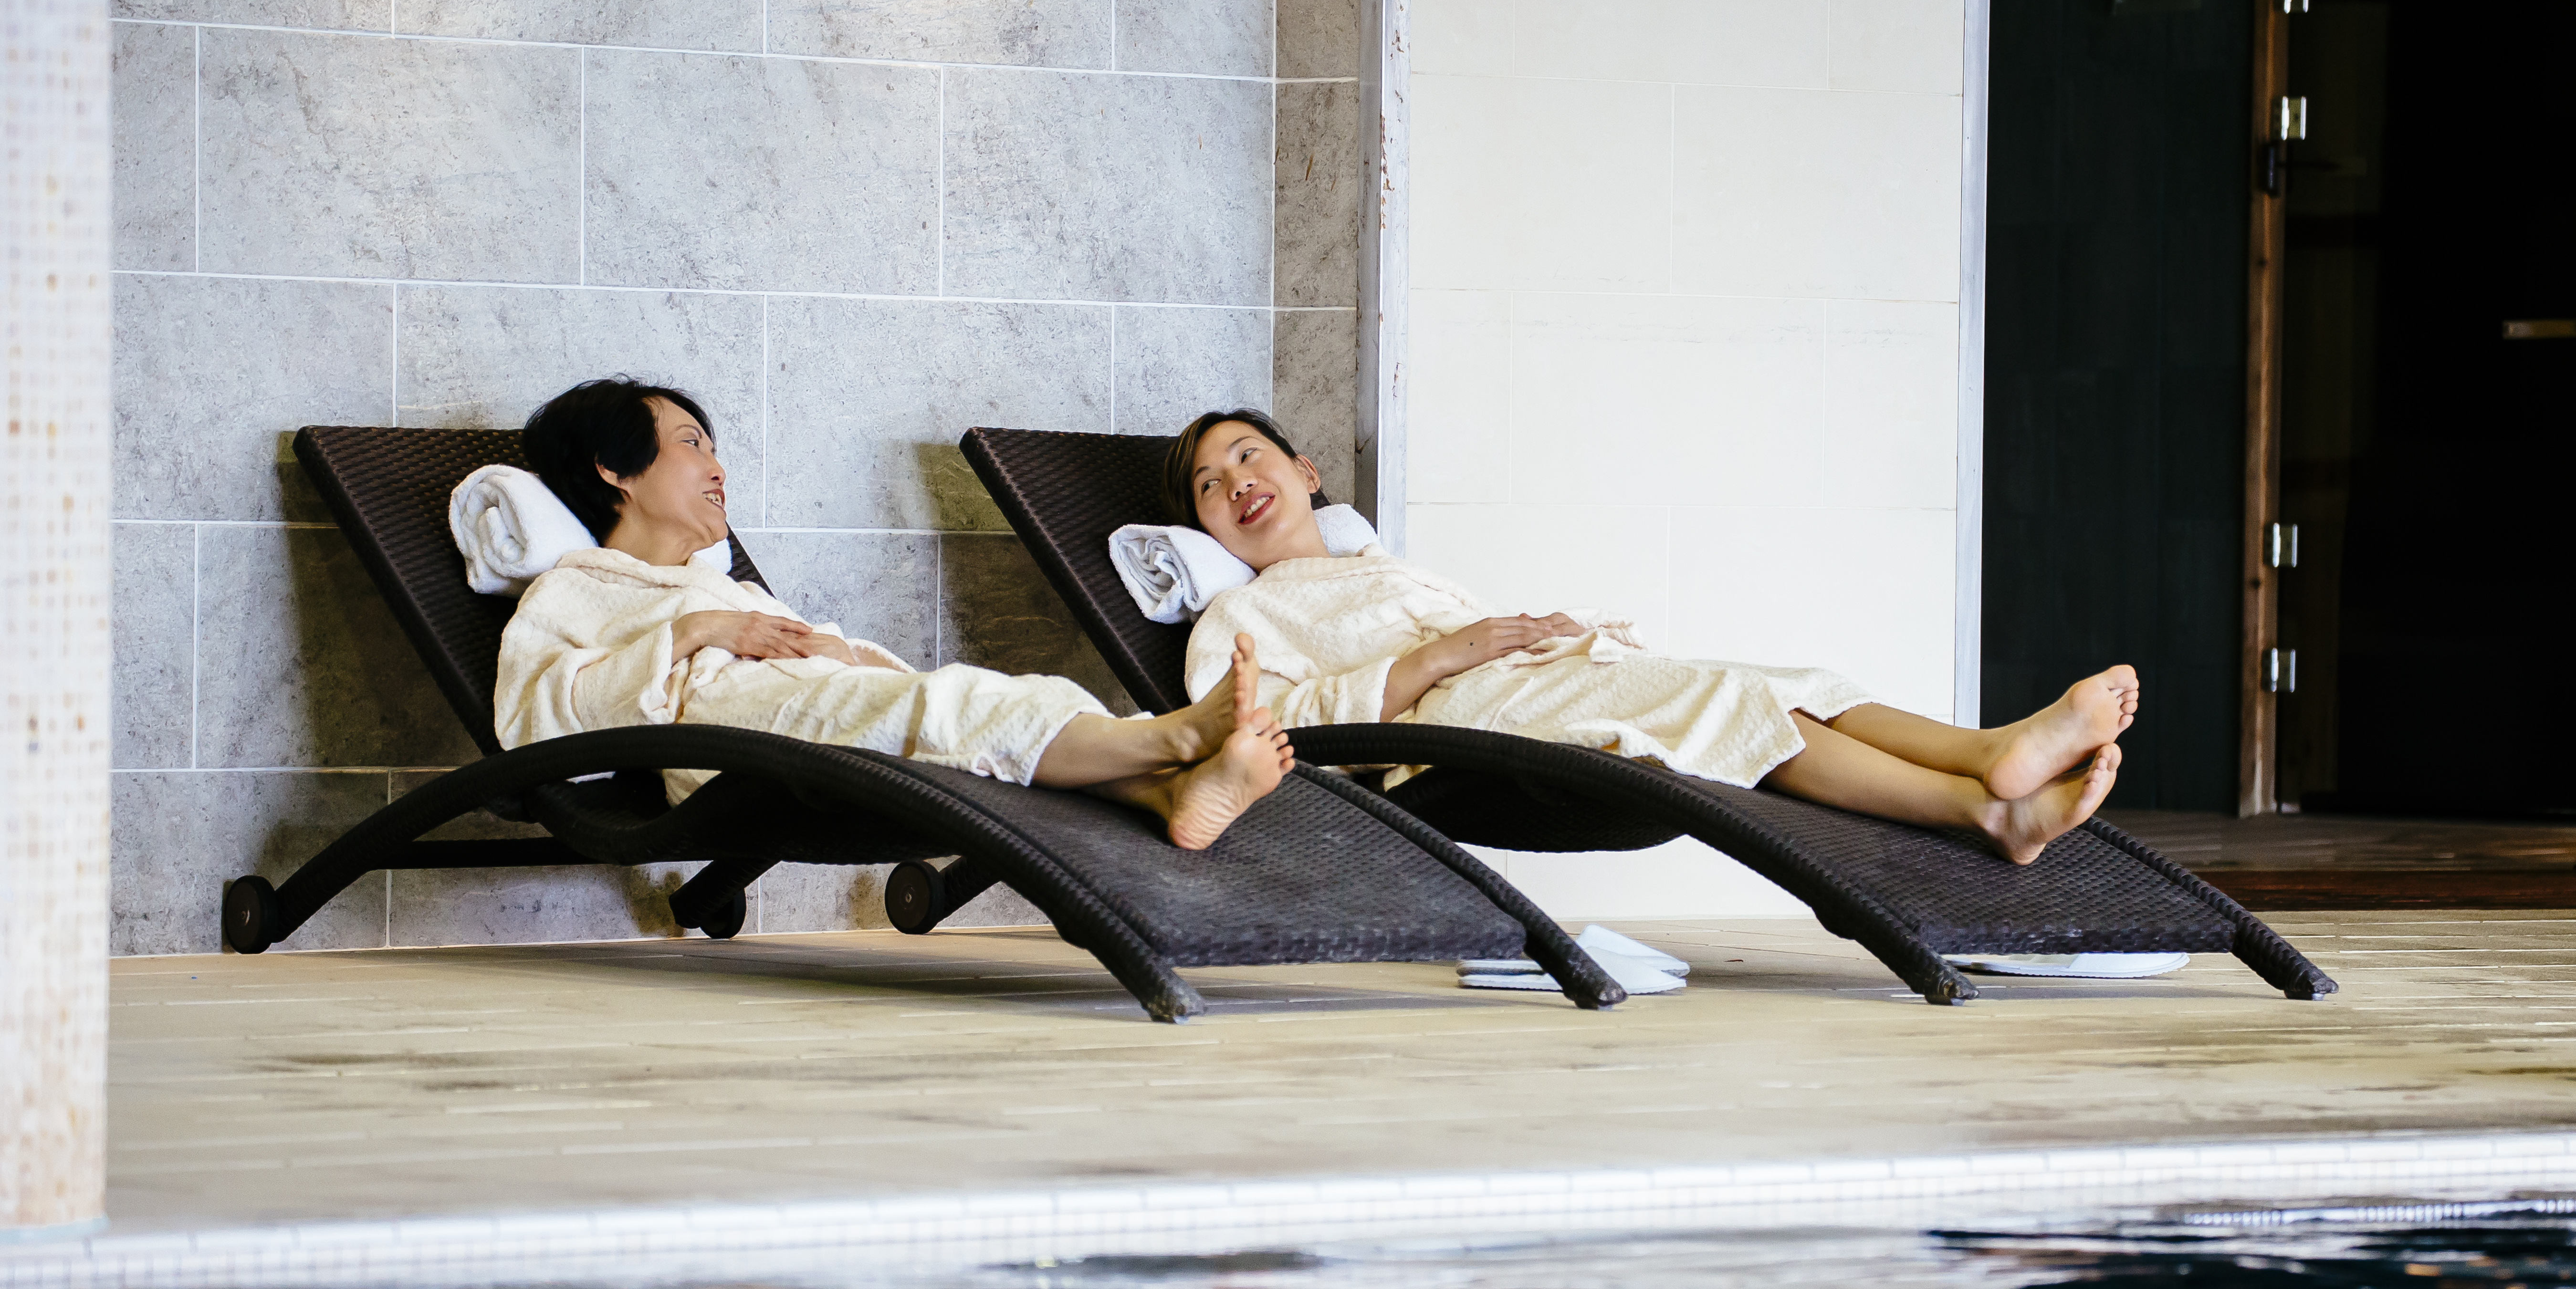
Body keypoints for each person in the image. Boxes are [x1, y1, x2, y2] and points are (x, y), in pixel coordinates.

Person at [1164, 408, 2138, 865]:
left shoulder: (1383, 568)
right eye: (1209, 484)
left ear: (1303, 467)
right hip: (1456, 734)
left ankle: (1989, 759)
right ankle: (1985, 811)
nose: (1234, 481)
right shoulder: (1237, 616)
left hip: (1533, 685)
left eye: (1247, 455)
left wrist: (1518, 635)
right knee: (1729, 703)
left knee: (1790, 678)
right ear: (1204, 529)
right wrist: (1441, 657)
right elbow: (1261, 732)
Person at [497, 378, 1288, 850]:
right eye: (690, 443)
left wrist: (846, 656)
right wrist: (694, 633)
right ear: (614, 469)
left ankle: (1166, 795)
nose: (717, 467)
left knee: (958, 708)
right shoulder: (577, 587)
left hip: (804, 721)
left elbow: (814, 652)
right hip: (733, 753)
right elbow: (533, 720)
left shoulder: (728, 589)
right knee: (953, 710)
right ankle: (1171, 735)